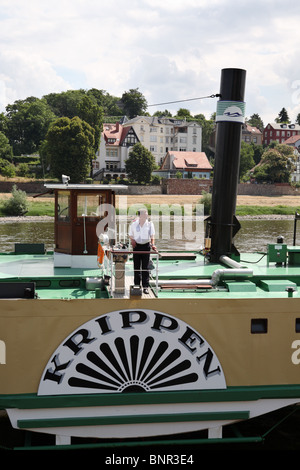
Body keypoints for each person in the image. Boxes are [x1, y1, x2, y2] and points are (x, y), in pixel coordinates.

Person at [129, 209, 156, 294]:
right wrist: (132, 240)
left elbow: (152, 236)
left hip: (146, 246)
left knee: (145, 268)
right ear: (140, 215)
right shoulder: (134, 224)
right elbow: (130, 235)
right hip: (136, 247)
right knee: (136, 267)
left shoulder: (150, 224)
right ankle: (137, 285)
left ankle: (145, 287)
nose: (147, 215)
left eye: (147, 213)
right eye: (145, 214)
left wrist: (152, 244)